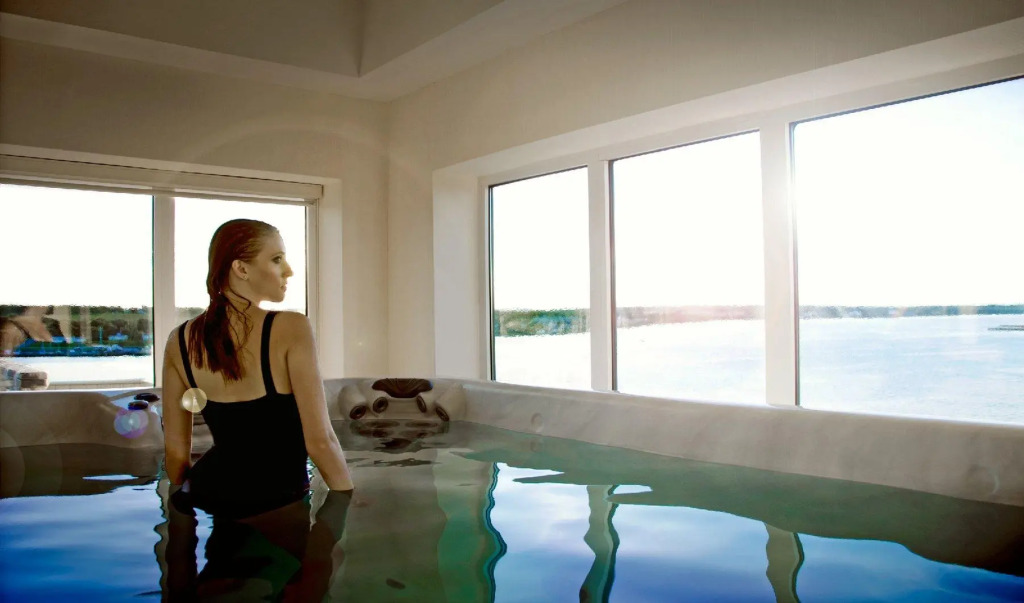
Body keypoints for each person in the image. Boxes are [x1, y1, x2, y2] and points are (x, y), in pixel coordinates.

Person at [161, 218, 354, 520]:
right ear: (241, 268)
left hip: (204, 493)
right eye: (277, 259)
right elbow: (321, 442)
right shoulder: (291, 328)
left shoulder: (180, 340)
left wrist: (180, 525)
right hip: (276, 506)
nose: (288, 271)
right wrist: (348, 506)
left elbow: (175, 454)